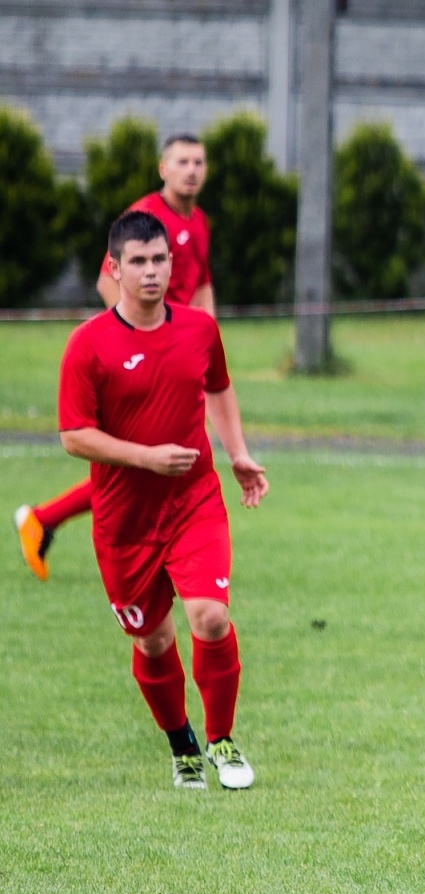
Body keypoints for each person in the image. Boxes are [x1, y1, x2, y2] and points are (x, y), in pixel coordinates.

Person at [58, 209, 266, 790]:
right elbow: (74, 435)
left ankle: (222, 740)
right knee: (152, 639)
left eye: (159, 260)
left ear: (171, 264)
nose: (151, 272)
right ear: (114, 268)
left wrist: (238, 453)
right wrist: (145, 456)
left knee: (210, 616)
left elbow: (219, 387)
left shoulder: (200, 328)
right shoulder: (88, 346)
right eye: (139, 262)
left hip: (194, 501)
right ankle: (184, 749)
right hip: (124, 521)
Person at [16, 133, 214, 580]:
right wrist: (136, 344)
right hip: (140, 362)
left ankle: (45, 520)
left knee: (165, 462)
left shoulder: (199, 222)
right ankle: (45, 519)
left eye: (199, 161)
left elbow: (203, 285)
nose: (192, 169)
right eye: (182, 161)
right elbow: (109, 283)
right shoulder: (144, 217)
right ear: (163, 168)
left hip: (177, 357)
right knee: (137, 464)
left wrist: (202, 343)